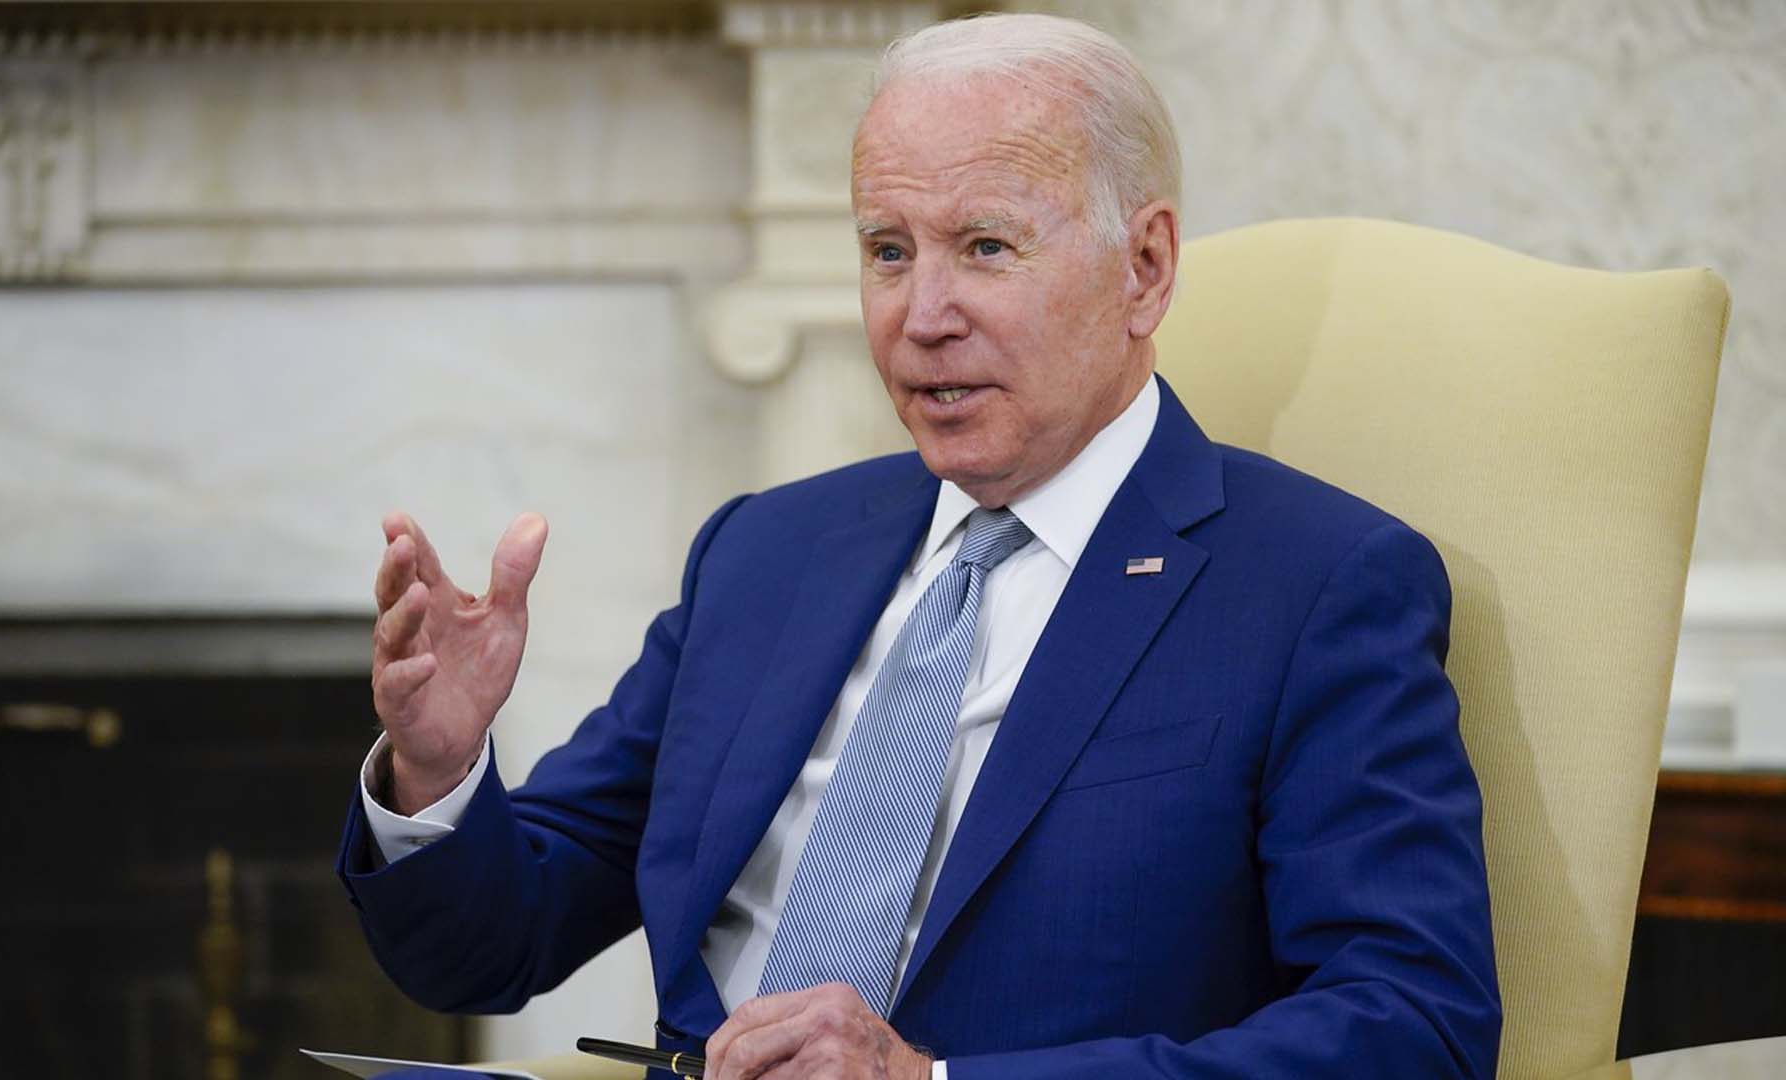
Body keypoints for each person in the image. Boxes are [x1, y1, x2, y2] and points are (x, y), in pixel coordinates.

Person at [337, 13, 1500, 1080]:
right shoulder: (766, 552)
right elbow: (490, 949)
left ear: (1143, 268)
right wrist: (438, 776)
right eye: (888, 251)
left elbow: (1414, 1028)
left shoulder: (1313, 585)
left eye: (985, 247)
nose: (921, 314)